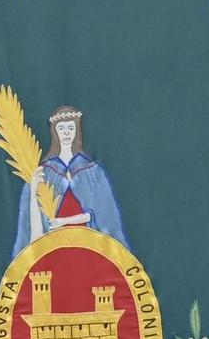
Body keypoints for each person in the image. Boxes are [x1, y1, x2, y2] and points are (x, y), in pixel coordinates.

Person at [15, 105, 128, 254]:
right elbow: (34, 228)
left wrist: (63, 222)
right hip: (54, 250)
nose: (66, 133)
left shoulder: (92, 171)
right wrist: (34, 187)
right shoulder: (46, 172)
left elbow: (103, 215)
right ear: (55, 131)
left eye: (71, 128)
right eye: (61, 128)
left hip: (88, 247)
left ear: (77, 131)